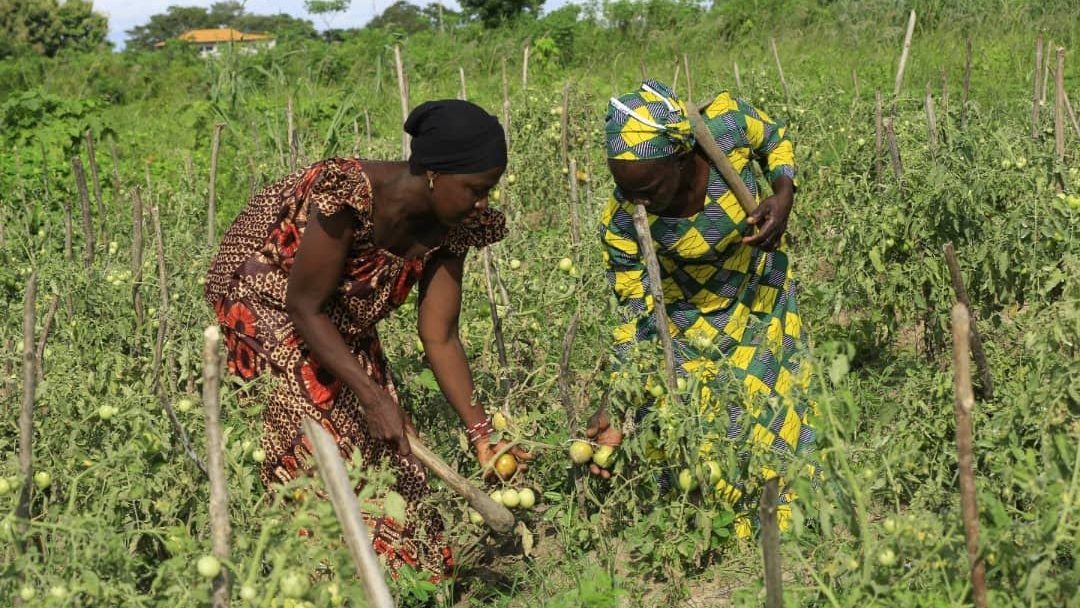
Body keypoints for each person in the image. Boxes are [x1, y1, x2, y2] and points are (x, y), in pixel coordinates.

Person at [204, 99, 530, 581]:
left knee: (390, 453)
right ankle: (324, 578)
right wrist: (372, 395)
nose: (483, 202)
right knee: (320, 436)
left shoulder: (456, 225)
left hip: (335, 315)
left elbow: (439, 334)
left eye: (490, 189)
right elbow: (305, 306)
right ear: (435, 174)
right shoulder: (352, 192)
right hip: (266, 294)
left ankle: (407, 581)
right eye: (476, 189)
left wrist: (482, 432)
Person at [586, 80, 815, 531]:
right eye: (625, 190)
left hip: (757, 293)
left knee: (774, 416)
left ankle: (791, 518)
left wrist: (783, 195)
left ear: (680, 157)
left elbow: (774, 138)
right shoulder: (621, 223)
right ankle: (720, 530)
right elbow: (634, 314)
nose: (637, 202)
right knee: (701, 441)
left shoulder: (725, 129)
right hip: (685, 317)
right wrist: (615, 401)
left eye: (647, 189)